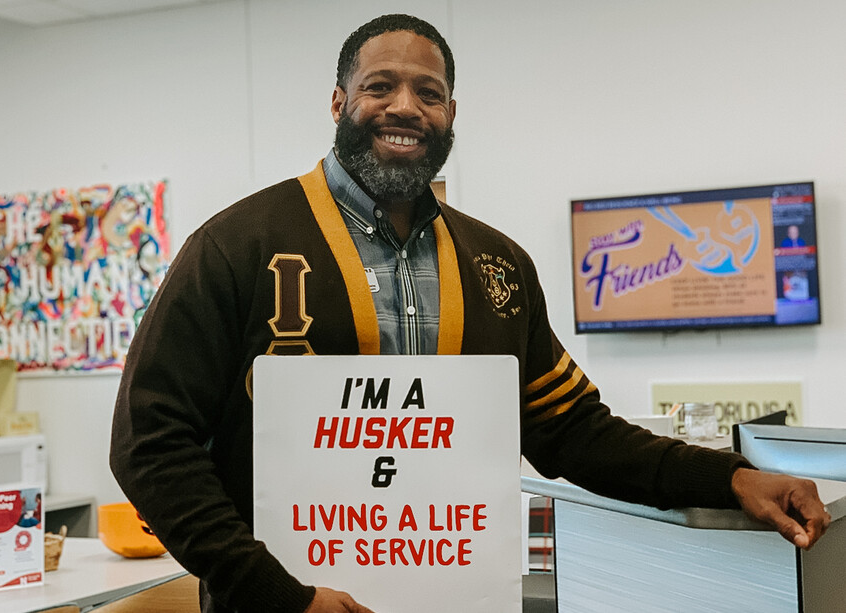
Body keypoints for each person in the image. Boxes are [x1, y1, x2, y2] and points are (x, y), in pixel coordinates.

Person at [110, 14, 829, 613]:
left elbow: (574, 431)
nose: (404, 107)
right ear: (338, 103)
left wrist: (731, 477)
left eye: (429, 92)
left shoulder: (499, 267)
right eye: (379, 86)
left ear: (450, 113)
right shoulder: (237, 246)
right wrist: (278, 594)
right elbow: (150, 441)